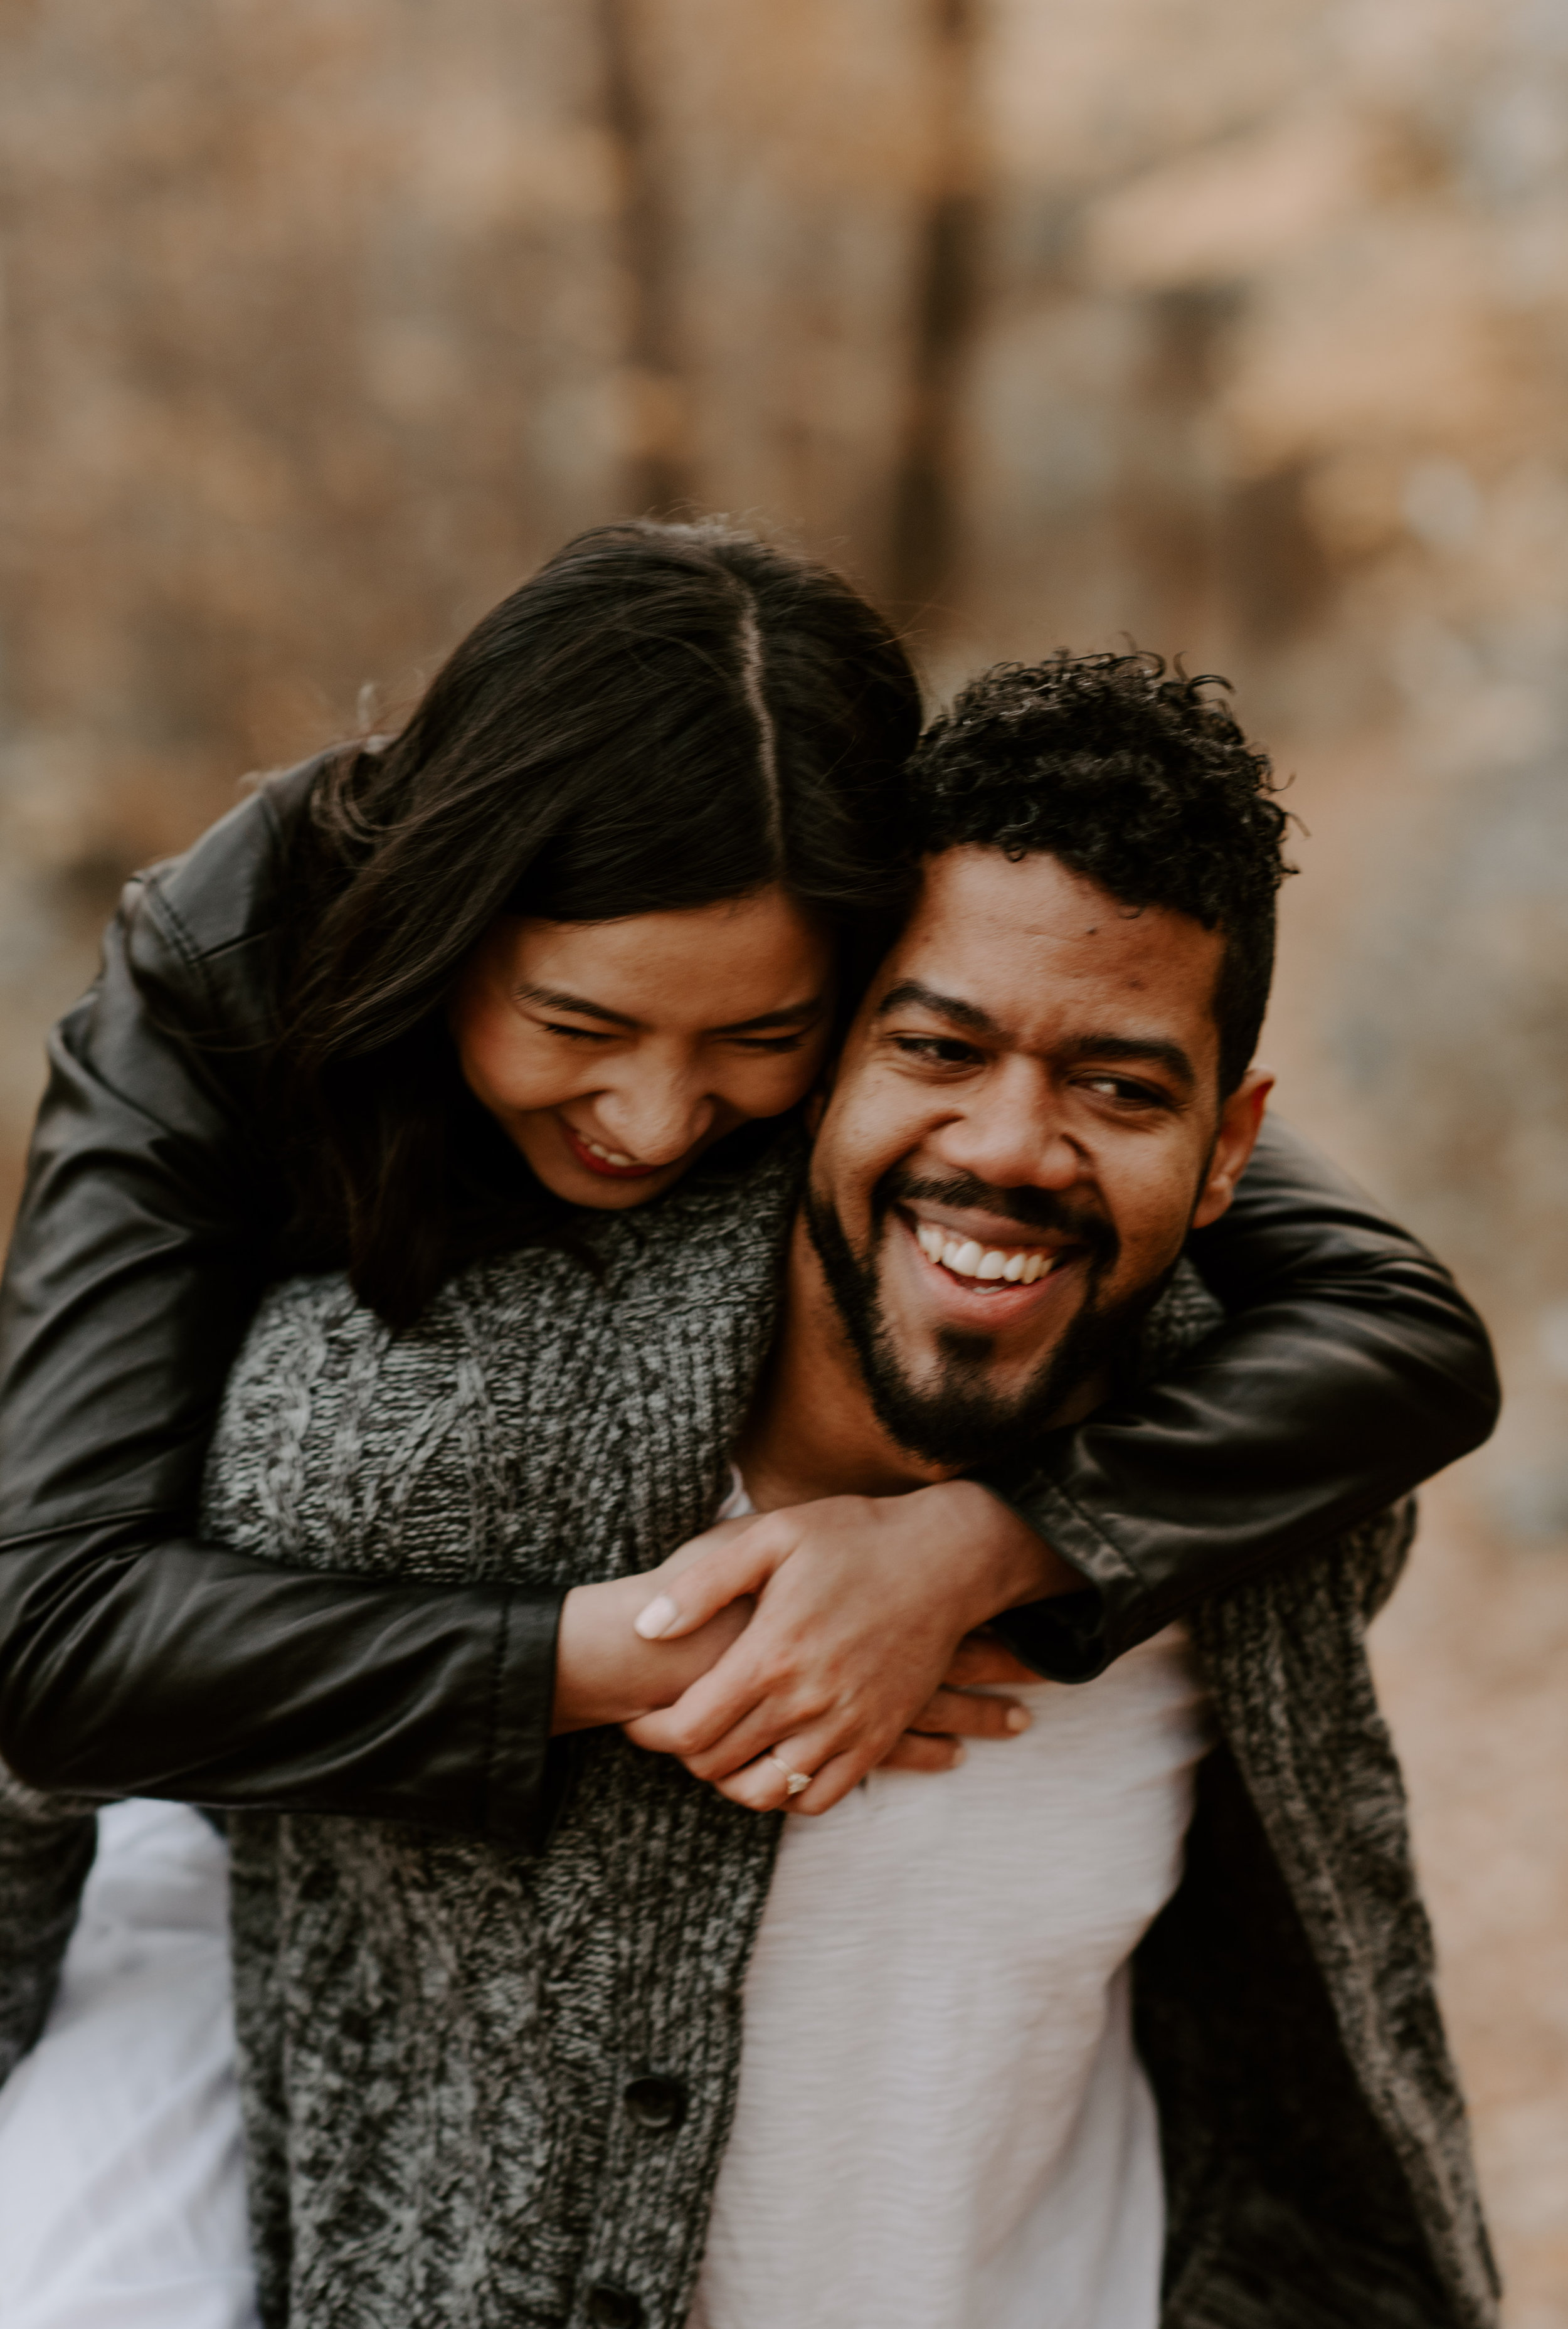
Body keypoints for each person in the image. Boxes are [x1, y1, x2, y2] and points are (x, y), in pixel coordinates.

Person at [107, 649, 1492, 2328]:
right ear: (817, 1054)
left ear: (1226, 1149)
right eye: (938, 1047)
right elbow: (64, 1743)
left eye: (1120, 1088)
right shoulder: (414, 1425)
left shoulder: (1278, 1507)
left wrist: (974, 1553)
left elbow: (1298, 2038)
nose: (1009, 1146)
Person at [0, 524, 1497, 1853]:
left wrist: (970, 1548)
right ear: (448, 928)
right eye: (575, 1026)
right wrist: (638, 1647)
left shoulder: (952, 1048)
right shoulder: (224, 967)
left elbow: (1395, 1330)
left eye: (760, 1036)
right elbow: (47, 1637)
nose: (652, 1122)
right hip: (175, 1810)